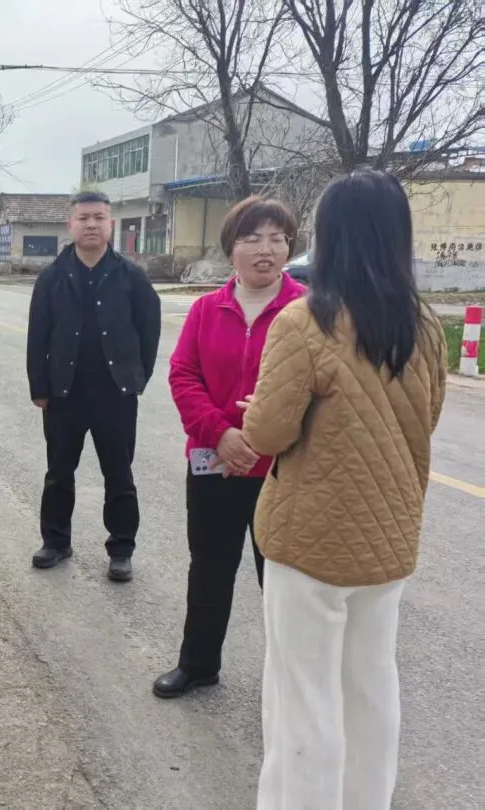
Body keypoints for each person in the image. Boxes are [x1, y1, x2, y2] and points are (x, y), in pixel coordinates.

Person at [241, 168, 446, 809]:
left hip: (309, 542)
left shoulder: (304, 321)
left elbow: (268, 432)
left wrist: (256, 412)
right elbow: (428, 416)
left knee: (303, 700)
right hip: (389, 538)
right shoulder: (424, 324)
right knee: (371, 686)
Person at [153, 197, 305, 700]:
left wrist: (262, 438)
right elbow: (183, 375)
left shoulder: (310, 312)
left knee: (282, 581)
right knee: (209, 567)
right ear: (231, 248)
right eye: (252, 238)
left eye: (277, 239)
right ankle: (198, 664)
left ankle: (290, 688)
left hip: (282, 472)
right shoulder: (205, 310)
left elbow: (323, 391)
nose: (266, 250)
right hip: (213, 462)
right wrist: (220, 433)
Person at [26, 190, 161, 582]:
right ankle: (56, 541)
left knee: (119, 473)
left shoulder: (131, 277)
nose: (91, 225)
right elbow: (38, 336)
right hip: (64, 394)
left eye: (99, 217)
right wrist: (40, 387)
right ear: (70, 224)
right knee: (58, 472)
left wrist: (137, 378)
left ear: (110, 224)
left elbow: (149, 331)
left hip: (115, 394)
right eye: (83, 218)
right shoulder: (52, 278)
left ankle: (121, 548)